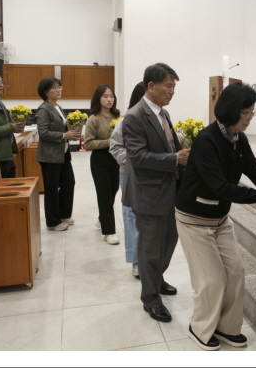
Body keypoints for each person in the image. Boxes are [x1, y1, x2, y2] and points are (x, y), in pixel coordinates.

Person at [175, 82, 256, 350]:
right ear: (231, 111)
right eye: (246, 113)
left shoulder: (239, 139)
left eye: (252, 112)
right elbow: (220, 187)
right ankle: (200, 328)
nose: (250, 117)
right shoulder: (207, 140)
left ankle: (227, 327)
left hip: (219, 219)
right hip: (194, 219)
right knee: (212, 279)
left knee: (236, 271)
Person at [122, 63, 190, 323]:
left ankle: (157, 279)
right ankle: (150, 298)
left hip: (170, 190)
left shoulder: (164, 113)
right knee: (150, 248)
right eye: (168, 86)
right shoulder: (134, 116)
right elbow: (138, 157)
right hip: (148, 193)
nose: (172, 91)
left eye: (174, 87)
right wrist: (175, 159)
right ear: (151, 86)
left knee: (169, 241)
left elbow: (169, 146)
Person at [109, 81, 147, 278]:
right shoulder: (126, 120)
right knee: (131, 215)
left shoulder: (159, 118)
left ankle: (149, 257)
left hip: (152, 175)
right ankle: (136, 259)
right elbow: (115, 147)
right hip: (130, 174)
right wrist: (134, 162)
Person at [35, 77, 82, 231]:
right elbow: (43, 133)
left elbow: (62, 128)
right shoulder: (44, 109)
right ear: (45, 91)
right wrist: (64, 135)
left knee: (69, 183)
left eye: (59, 87)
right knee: (52, 189)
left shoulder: (57, 107)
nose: (58, 90)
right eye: (54, 87)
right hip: (50, 156)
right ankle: (53, 222)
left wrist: (71, 134)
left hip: (63, 154)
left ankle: (63, 214)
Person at [84, 84, 121, 245]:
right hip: (100, 159)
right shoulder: (94, 119)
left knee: (113, 191)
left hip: (116, 158)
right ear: (98, 99)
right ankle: (109, 231)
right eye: (105, 96)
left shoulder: (117, 117)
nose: (109, 99)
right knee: (104, 195)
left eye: (111, 96)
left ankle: (102, 218)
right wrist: (108, 142)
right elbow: (88, 143)